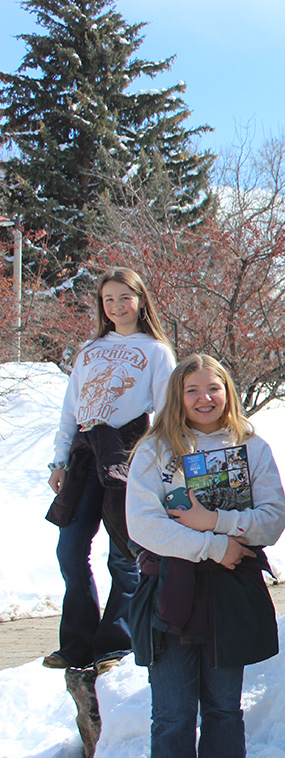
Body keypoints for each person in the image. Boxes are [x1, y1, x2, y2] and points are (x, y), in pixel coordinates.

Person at [125, 354, 285, 758]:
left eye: (213, 388)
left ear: (227, 392)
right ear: (176, 396)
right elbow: (143, 525)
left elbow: (272, 519)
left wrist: (213, 520)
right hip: (171, 594)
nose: (204, 398)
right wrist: (212, 545)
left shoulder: (251, 446)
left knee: (223, 706)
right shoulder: (154, 449)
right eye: (192, 390)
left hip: (230, 593)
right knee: (173, 712)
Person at [44, 268, 176, 672]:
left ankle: (116, 641)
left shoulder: (156, 351)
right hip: (85, 450)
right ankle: (77, 643)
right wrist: (59, 459)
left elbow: (166, 411)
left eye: (124, 297)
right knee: (70, 548)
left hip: (127, 449)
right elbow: (70, 409)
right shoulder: (89, 349)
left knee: (124, 554)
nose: (116, 306)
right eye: (108, 299)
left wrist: (156, 463)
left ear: (140, 300)